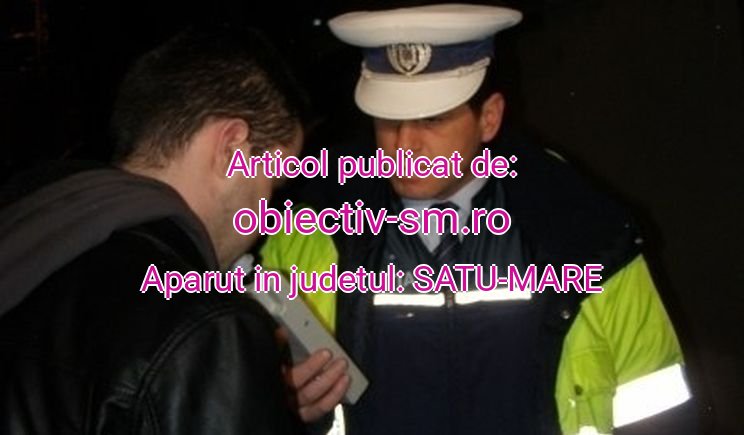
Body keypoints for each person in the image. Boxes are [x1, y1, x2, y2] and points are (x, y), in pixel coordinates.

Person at [273, 4, 696, 435]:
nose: (405, 144)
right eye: (389, 121)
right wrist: (283, 404)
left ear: (488, 118)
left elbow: (660, 410)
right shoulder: (308, 234)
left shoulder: (587, 235)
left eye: (432, 120)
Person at [0, 27, 306, 434]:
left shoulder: (29, 233)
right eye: (274, 184)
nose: (267, 214)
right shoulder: (204, 327)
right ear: (231, 148)